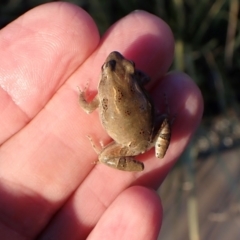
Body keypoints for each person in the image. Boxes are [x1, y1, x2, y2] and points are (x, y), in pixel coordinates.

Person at [0, 2, 203, 240]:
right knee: (163, 121)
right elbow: (145, 78)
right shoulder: (135, 81)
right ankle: (156, 133)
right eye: (110, 66)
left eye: (127, 67)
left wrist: (81, 94)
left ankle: (125, 154)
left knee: (104, 156)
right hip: (151, 129)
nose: (119, 61)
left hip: (133, 142)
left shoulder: (102, 96)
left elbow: (87, 107)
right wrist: (135, 78)